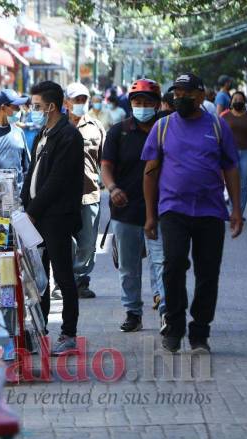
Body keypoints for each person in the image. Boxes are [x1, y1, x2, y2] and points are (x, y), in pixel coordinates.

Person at [143, 73, 242, 353]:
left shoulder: (217, 126)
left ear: (201, 96)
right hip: (173, 210)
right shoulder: (162, 127)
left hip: (211, 211)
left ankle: (200, 332)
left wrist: (236, 209)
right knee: (173, 265)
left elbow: (231, 168)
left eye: (186, 93)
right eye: (176, 93)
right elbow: (150, 174)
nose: (180, 98)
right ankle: (174, 325)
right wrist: (150, 215)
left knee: (208, 272)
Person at [20, 81, 85, 355]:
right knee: (38, 276)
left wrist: (33, 212)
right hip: (37, 216)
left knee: (62, 274)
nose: (32, 111)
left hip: (57, 217)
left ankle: (68, 333)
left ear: (51, 106)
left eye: (36, 106)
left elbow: (57, 181)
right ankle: (39, 329)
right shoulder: (42, 134)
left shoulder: (69, 136)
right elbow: (33, 172)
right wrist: (25, 206)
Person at [101, 78, 166, 332]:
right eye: (137, 102)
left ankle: (165, 313)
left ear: (157, 105)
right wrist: (112, 188)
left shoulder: (166, 130)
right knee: (128, 267)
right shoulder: (119, 132)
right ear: (131, 104)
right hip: (125, 210)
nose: (142, 106)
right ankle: (132, 312)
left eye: (147, 102)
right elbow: (106, 166)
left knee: (161, 263)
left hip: (161, 210)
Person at [63, 82, 105, 299]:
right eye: (76, 100)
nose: (80, 104)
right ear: (66, 102)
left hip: (89, 194)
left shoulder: (96, 127)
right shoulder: (57, 126)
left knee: (88, 243)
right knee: (65, 242)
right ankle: (64, 282)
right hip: (61, 197)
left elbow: (105, 161)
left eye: (83, 100)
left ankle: (81, 281)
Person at [0, 89, 29, 188]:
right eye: (15, 107)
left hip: (18, 199)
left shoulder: (19, 132)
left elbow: (27, 169)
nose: (19, 110)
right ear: (3, 107)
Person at [221, 91, 247, 216]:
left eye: (240, 99)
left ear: (244, 102)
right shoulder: (224, 117)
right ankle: (233, 211)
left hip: (246, 153)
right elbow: (221, 138)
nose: (237, 101)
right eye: (235, 99)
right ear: (231, 102)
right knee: (232, 183)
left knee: (242, 185)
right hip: (230, 153)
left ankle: (239, 213)